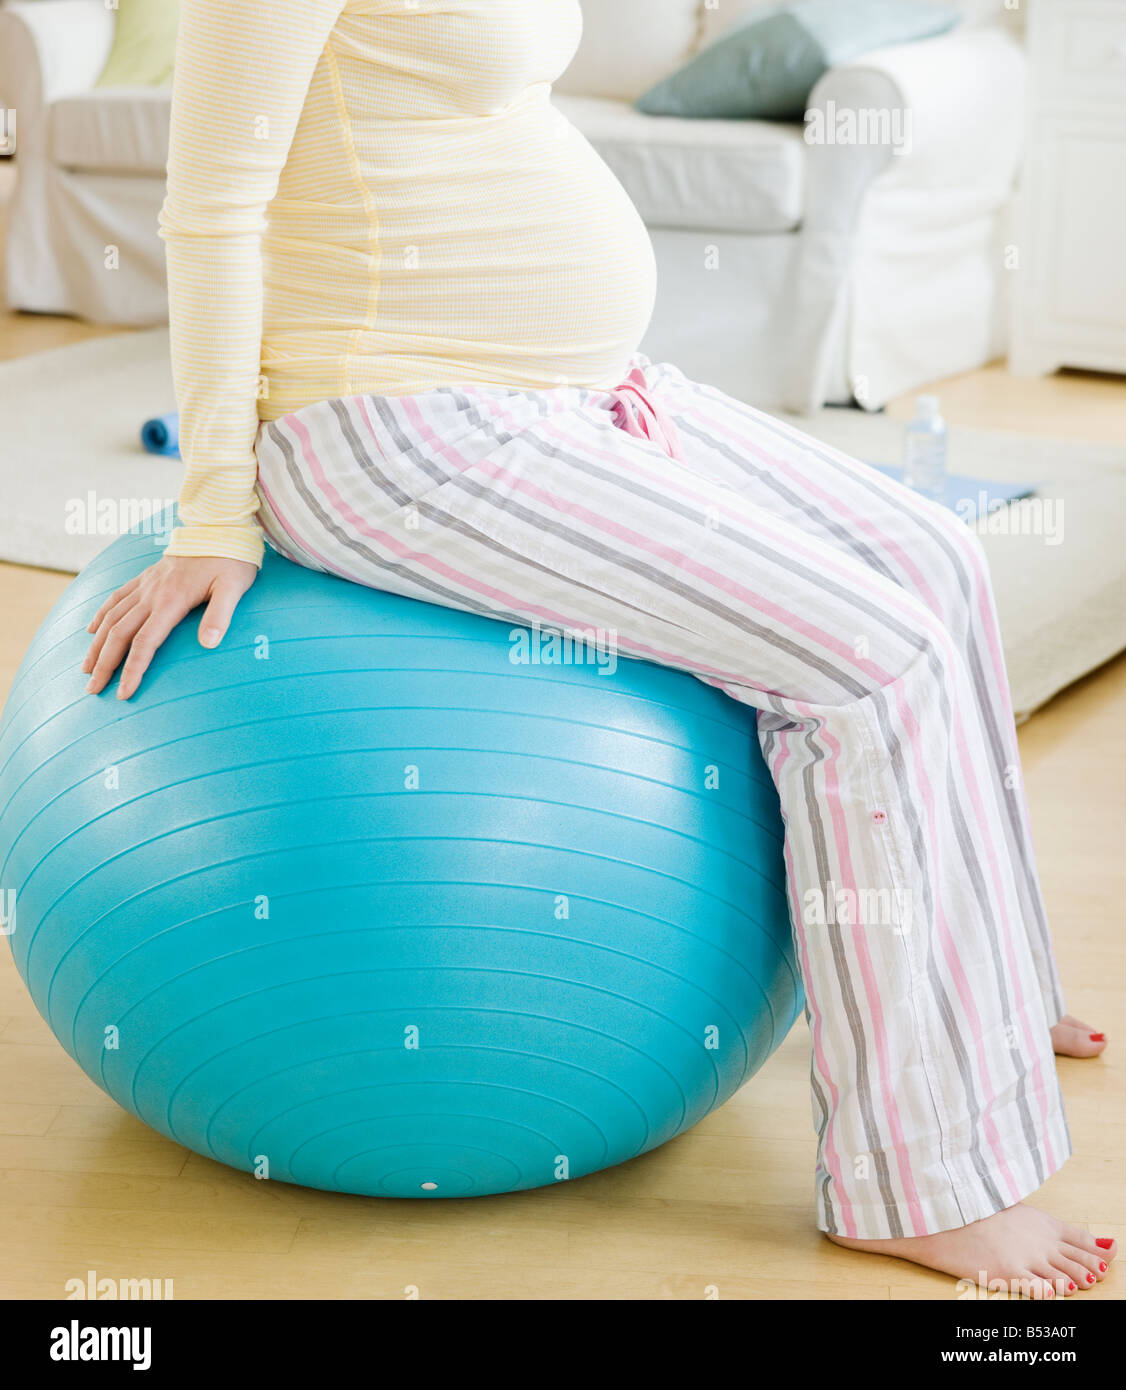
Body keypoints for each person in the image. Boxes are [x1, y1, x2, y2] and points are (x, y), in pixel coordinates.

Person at [82, 0, 1113, 1297]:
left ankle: (983, 996)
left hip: (566, 390)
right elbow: (211, 209)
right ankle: (921, 1177)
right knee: (874, 657)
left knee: (936, 558)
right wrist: (213, 512)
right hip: (391, 428)